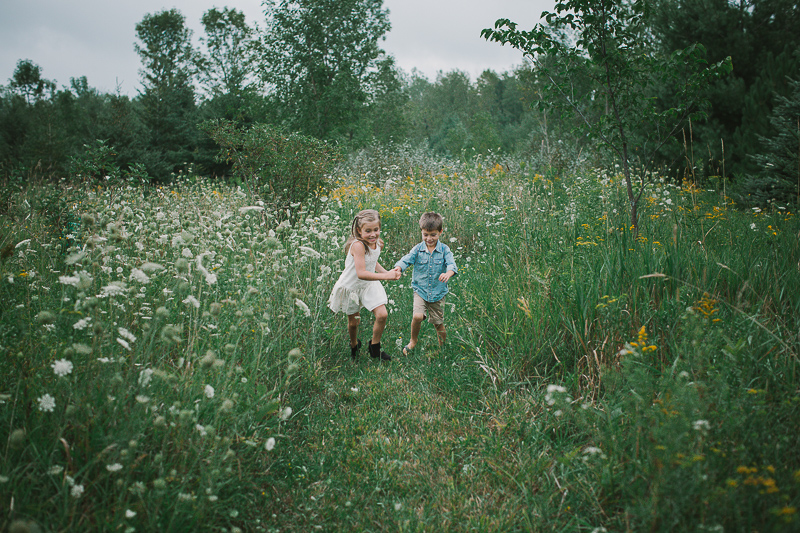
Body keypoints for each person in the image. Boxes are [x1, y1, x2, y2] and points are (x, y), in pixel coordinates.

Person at [328, 209, 401, 361]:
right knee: (354, 323)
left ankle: (374, 347)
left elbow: (372, 262)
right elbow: (361, 272)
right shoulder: (358, 246)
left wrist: (387, 272)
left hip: (369, 285)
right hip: (352, 286)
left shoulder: (377, 243)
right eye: (368, 231)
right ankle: (354, 344)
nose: (373, 234)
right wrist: (386, 276)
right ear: (359, 231)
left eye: (376, 230)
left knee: (382, 314)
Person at [394, 212, 457, 355]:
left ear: (440, 232)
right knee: (417, 316)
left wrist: (448, 273)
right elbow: (407, 259)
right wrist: (399, 267)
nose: (429, 238)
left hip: (438, 292)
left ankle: (443, 348)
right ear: (421, 232)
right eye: (425, 235)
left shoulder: (444, 250)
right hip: (420, 290)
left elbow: (452, 265)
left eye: (433, 235)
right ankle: (413, 341)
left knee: (438, 323)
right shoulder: (417, 249)